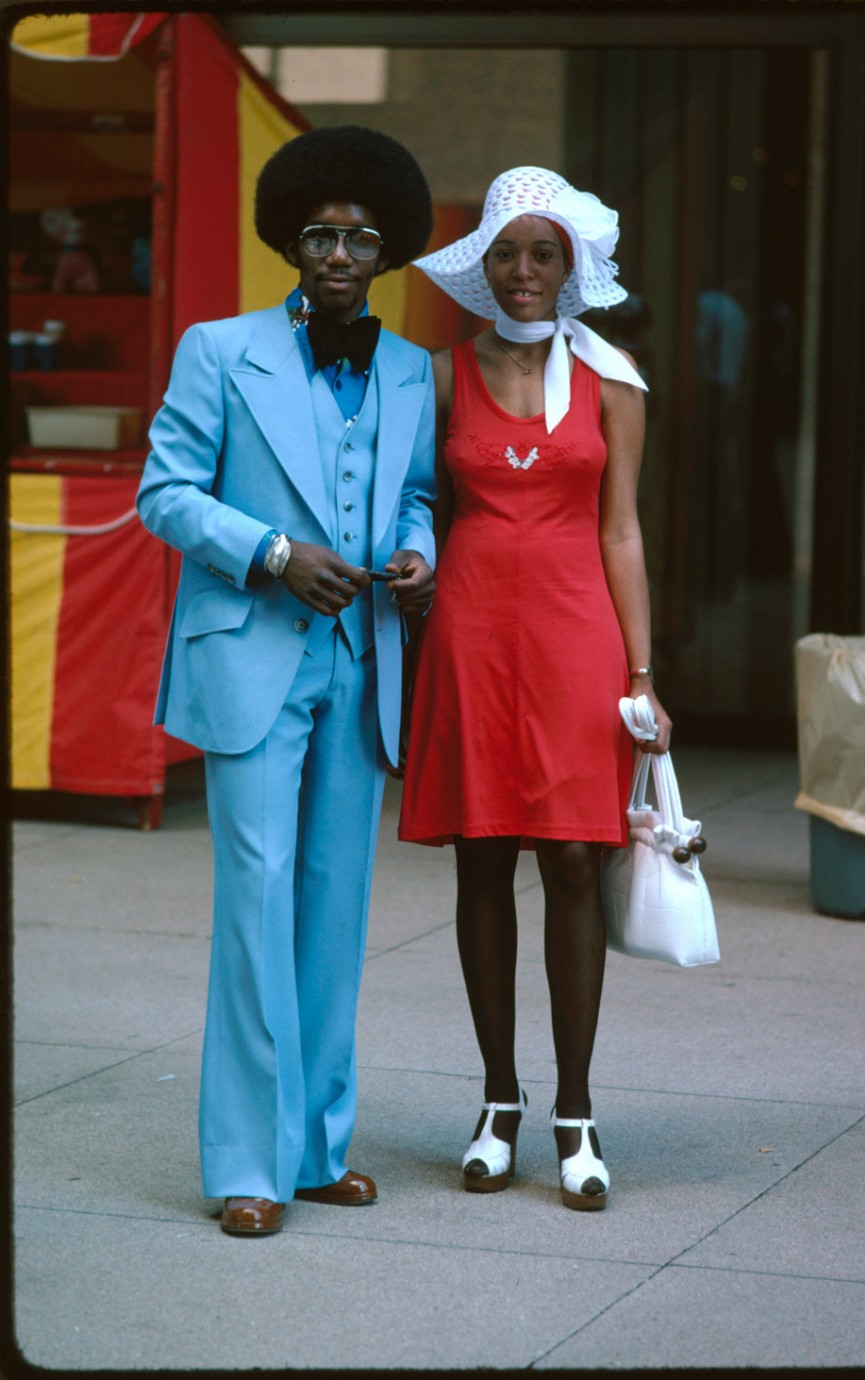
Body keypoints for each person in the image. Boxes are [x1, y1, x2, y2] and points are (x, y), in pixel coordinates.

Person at [137, 126, 436, 1236]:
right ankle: (245, 1168)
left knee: (333, 912)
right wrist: (271, 551)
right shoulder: (220, 350)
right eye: (320, 233)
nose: (340, 252)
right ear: (291, 241)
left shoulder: (409, 370)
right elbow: (164, 494)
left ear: (389, 250)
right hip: (249, 657)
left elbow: (413, 495)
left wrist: (419, 555)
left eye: (361, 237)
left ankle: (314, 1148)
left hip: (360, 664)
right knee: (256, 904)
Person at [398, 166, 672, 1212]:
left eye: (542, 254)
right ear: (483, 264)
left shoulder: (613, 379)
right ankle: (497, 1102)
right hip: (470, 634)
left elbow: (622, 530)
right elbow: (417, 503)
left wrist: (642, 676)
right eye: (507, 253)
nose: (523, 272)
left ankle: (577, 1112)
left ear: (571, 268)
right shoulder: (433, 376)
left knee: (571, 859)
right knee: (482, 859)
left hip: (576, 640)